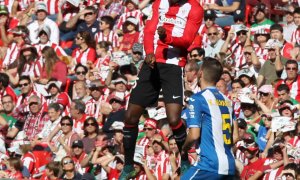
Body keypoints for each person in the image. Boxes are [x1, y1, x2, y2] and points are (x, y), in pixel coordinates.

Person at [120, 0, 203, 177]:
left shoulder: (195, 9)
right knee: (130, 115)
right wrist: (149, 51)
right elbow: (149, 30)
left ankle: (185, 160)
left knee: (174, 119)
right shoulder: (159, 3)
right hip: (151, 63)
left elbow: (187, 39)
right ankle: (128, 166)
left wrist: (167, 38)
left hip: (173, 65)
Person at [181, 57, 237, 178]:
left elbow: (194, 134)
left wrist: (184, 148)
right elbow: (235, 136)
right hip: (230, 165)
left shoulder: (197, 99)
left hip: (210, 165)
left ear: (200, 73)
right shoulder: (228, 101)